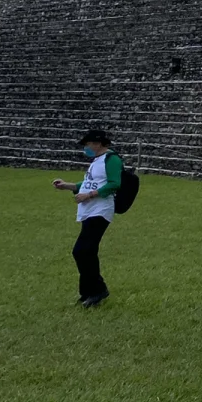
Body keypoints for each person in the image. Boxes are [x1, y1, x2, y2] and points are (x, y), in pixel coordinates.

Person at [53, 129, 122, 308]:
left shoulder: (111, 159)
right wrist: (67, 186)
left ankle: (97, 290)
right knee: (85, 252)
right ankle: (89, 292)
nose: (86, 148)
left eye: (88, 144)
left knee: (82, 250)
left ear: (97, 143)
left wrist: (89, 195)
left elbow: (115, 183)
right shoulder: (96, 161)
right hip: (89, 209)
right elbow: (88, 183)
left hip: (100, 209)